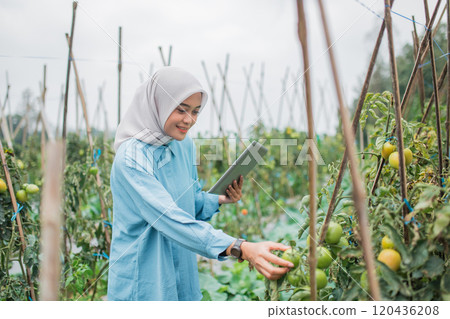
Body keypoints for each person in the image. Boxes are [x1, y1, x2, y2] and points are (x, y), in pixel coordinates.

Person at [108, 66, 293, 301]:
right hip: (145, 275)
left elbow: (190, 200)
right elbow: (169, 217)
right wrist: (241, 248)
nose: (189, 120)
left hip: (181, 268)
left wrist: (219, 198)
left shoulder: (182, 144)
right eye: (181, 110)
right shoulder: (131, 158)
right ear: (158, 105)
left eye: (195, 111)